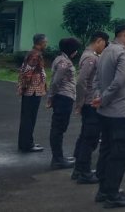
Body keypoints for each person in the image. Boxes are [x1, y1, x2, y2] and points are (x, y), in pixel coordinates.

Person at [92, 22, 125, 208]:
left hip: (106, 112)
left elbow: (97, 79)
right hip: (121, 112)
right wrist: (103, 98)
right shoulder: (124, 53)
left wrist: (99, 97)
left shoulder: (105, 51)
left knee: (107, 150)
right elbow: (119, 81)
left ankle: (104, 190)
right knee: (120, 153)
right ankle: (112, 194)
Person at [71, 30, 109, 184]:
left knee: (86, 136)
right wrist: (80, 103)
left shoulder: (90, 56)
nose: (104, 47)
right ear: (99, 41)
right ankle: (84, 172)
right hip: (90, 103)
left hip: (89, 102)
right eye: (104, 44)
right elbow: (81, 81)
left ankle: (79, 169)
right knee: (90, 138)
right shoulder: (91, 58)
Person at [48, 37, 82, 169]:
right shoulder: (64, 62)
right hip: (63, 97)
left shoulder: (60, 59)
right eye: (75, 50)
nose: (76, 52)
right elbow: (56, 81)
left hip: (63, 97)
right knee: (58, 129)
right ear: (71, 50)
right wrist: (51, 97)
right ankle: (57, 159)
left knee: (59, 128)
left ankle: (59, 157)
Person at [17, 33, 48, 153]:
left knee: (27, 118)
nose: (46, 44)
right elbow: (27, 72)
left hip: (32, 91)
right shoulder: (36, 55)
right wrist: (23, 87)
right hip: (32, 91)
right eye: (45, 42)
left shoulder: (33, 53)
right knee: (29, 118)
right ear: (40, 43)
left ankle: (26, 142)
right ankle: (27, 144)